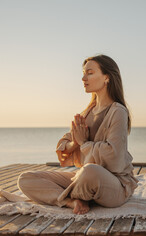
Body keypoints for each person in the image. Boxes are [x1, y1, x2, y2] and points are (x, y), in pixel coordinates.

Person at [17, 54, 138, 215]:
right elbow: (65, 143)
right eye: (83, 73)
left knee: (89, 171)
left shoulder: (118, 111)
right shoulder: (88, 111)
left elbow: (114, 155)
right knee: (25, 179)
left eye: (89, 72)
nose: (83, 78)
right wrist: (76, 143)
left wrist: (84, 144)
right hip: (84, 178)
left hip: (114, 183)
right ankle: (71, 201)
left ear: (107, 77)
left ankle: (66, 193)